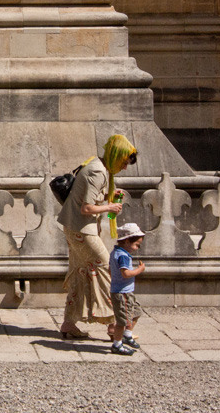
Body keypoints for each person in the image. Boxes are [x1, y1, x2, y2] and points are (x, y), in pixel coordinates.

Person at [57, 134, 138, 339]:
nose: (124, 168)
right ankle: (113, 325)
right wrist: (109, 207)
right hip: (82, 229)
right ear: (116, 156)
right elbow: (86, 208)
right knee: (106, 269)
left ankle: (68, 324)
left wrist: (108, 199)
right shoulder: (98, 171)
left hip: (75, 227)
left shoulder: (98, 166)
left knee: (80, 272)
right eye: (124, 162)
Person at [109, 222, 146, 355]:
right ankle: (117, 344)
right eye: (136, 244)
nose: (137, 248)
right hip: (122, 293)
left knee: (136, 311)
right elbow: (126, 273)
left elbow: (110, 270)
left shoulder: (115, 252)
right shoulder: (123, 256)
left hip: (125, 291)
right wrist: (139, 270)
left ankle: (127, 335)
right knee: (122, 321)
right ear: (126, 241)